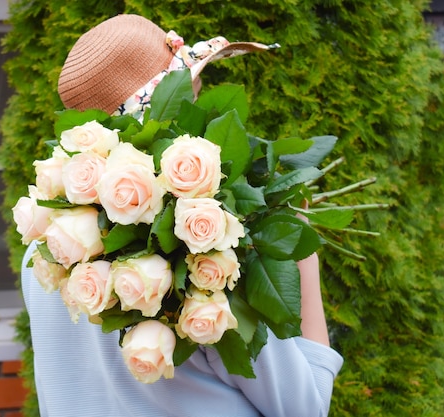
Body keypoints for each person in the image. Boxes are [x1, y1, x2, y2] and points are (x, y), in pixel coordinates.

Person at [21, 14, 343, 417]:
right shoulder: (206, 254)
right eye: (193, 87)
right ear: (172, 107)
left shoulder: (44, 251)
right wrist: (302, 258)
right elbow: (306, 409)